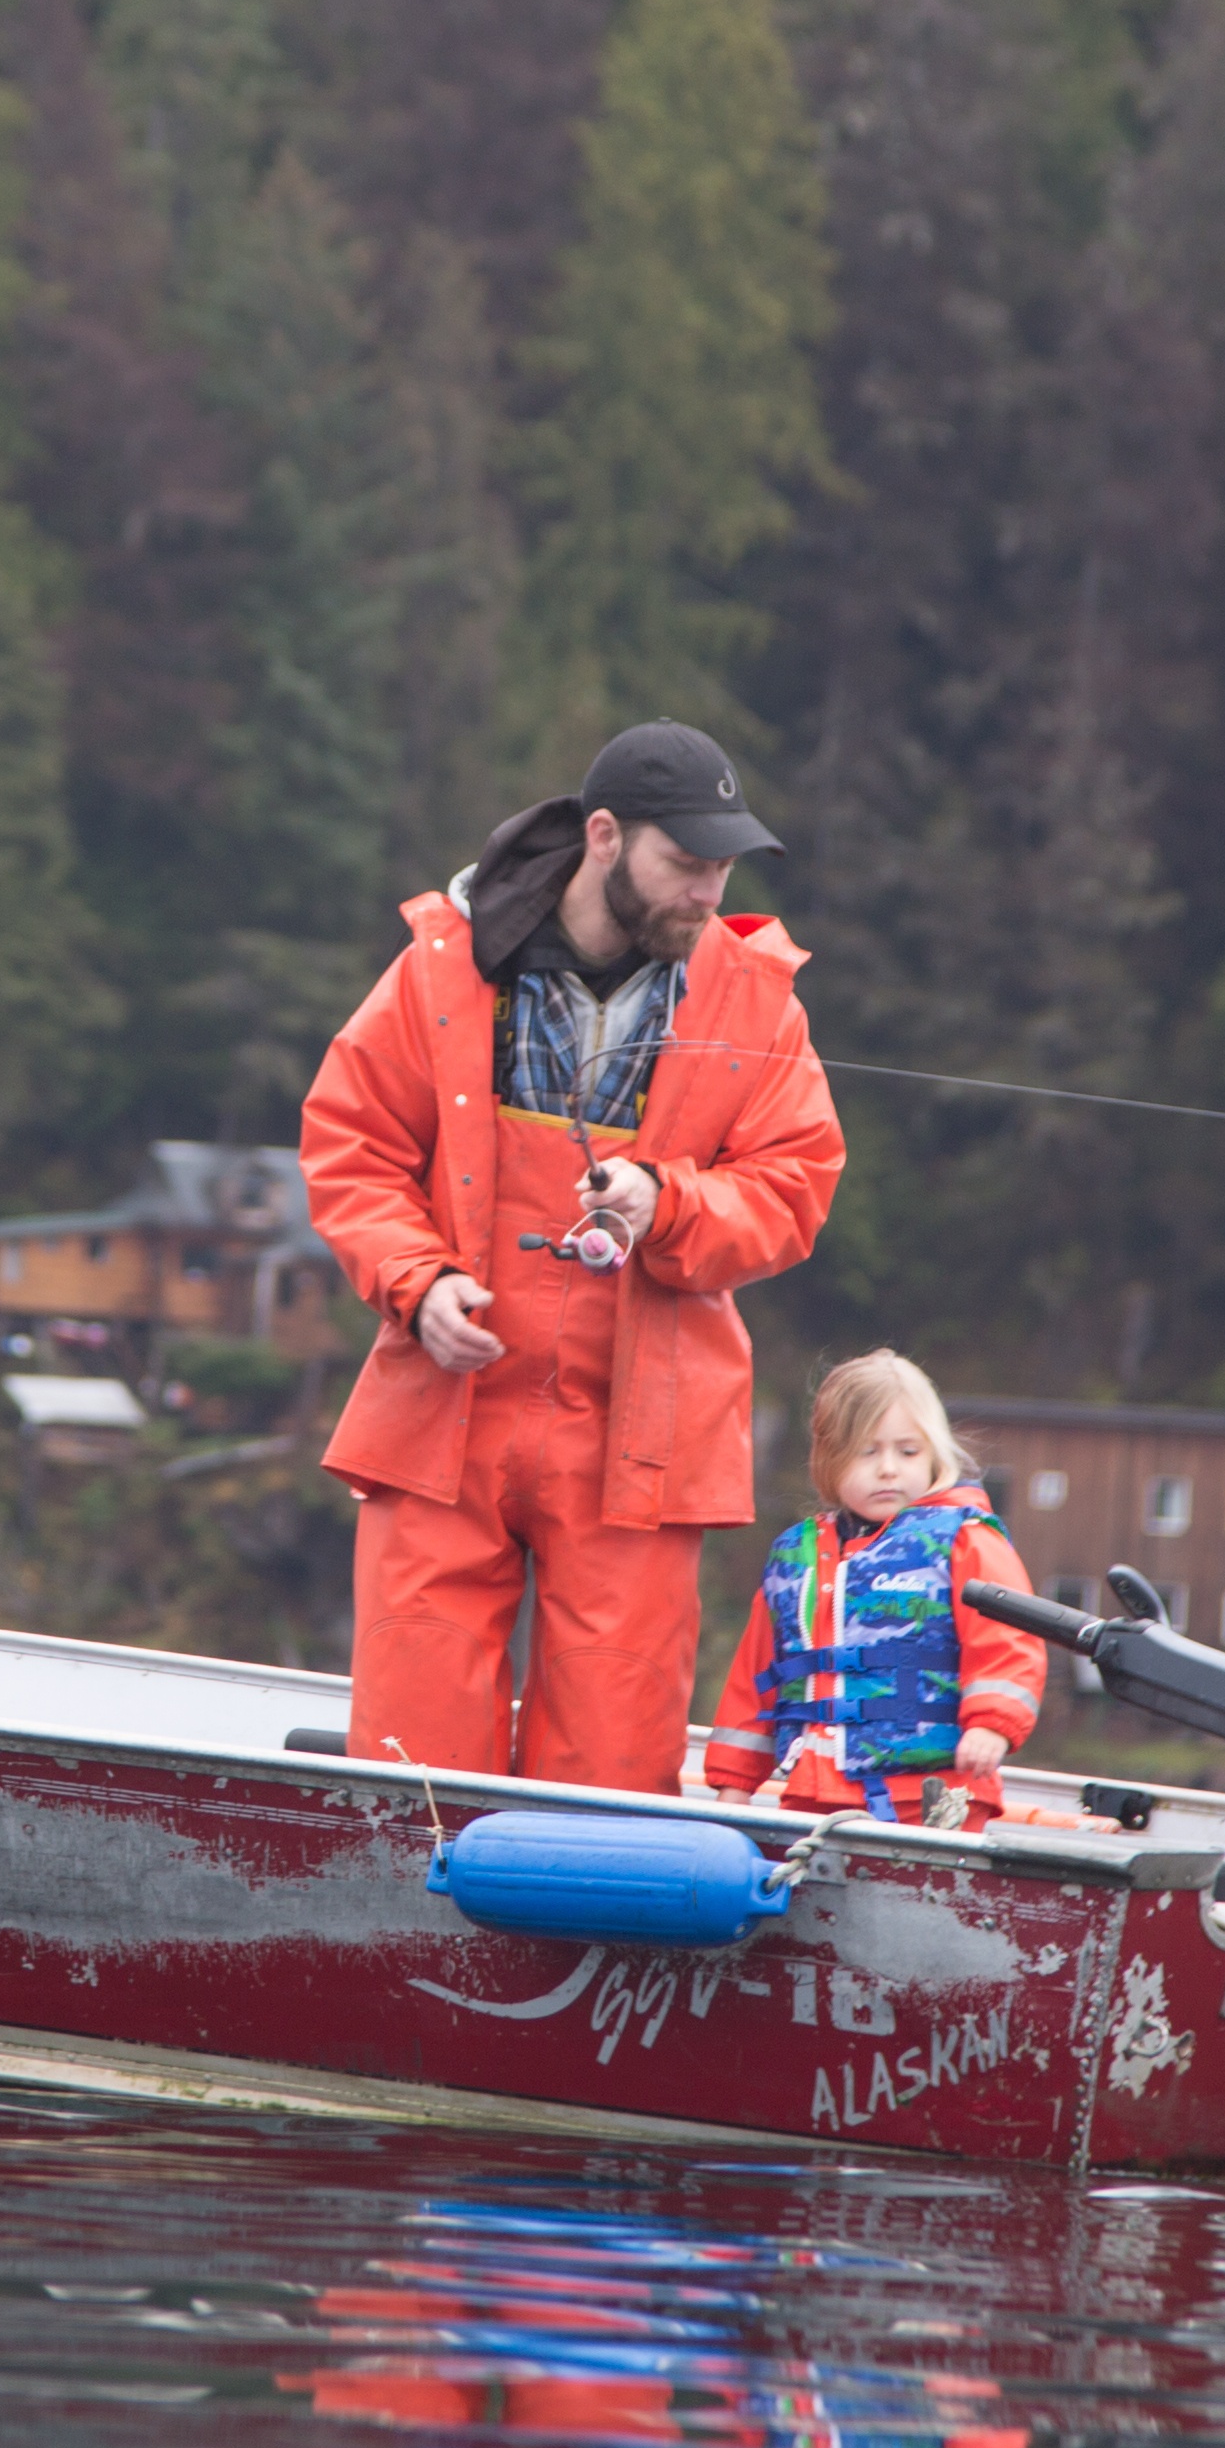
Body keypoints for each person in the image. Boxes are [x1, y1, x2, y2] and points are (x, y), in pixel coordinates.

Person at [299, 721, 847, 1788]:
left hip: (642, 1433)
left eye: (723, 865)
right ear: (604, 836)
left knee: (612, 1767)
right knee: (410, 1769)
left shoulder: (757, 996)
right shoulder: (439, 965)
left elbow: (795, 1186)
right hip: (445, 1412)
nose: (706, 890)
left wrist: (670, 1202)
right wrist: (421, 1283)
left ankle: (584, 1954)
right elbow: (351, 1146)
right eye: (685, 864)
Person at [693, 1351, 1047, 1827]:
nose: (888, 1469)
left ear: (934, 1453)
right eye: (867, 1451)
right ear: (830, 1457)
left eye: (908, 1451)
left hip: (936, 1795)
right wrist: (734, 1788)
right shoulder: (794, 1558)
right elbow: (754, 1683)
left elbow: (1009, 1644)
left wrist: (992, 1726)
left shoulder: (965, 1539)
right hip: (812, 1795)